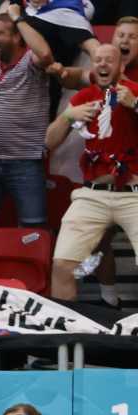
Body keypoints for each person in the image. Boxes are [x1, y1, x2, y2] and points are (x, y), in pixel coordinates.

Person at [46, 45, 138, 302]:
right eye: (98, 60)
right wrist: (67, 116)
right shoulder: (84, 97)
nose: (103, 64)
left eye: (109, 60)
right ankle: (68, 335)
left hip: (133, 194)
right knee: (63, 265)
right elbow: (49, 142)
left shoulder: (135, 92)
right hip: (92, 194)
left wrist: (136, 104)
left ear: (121, 66)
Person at [0, 9, 54, 230]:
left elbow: (45, 55)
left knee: (33, 228)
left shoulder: (31, 61)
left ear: (17, 37)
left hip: (26, 162)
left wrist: (18, 18)